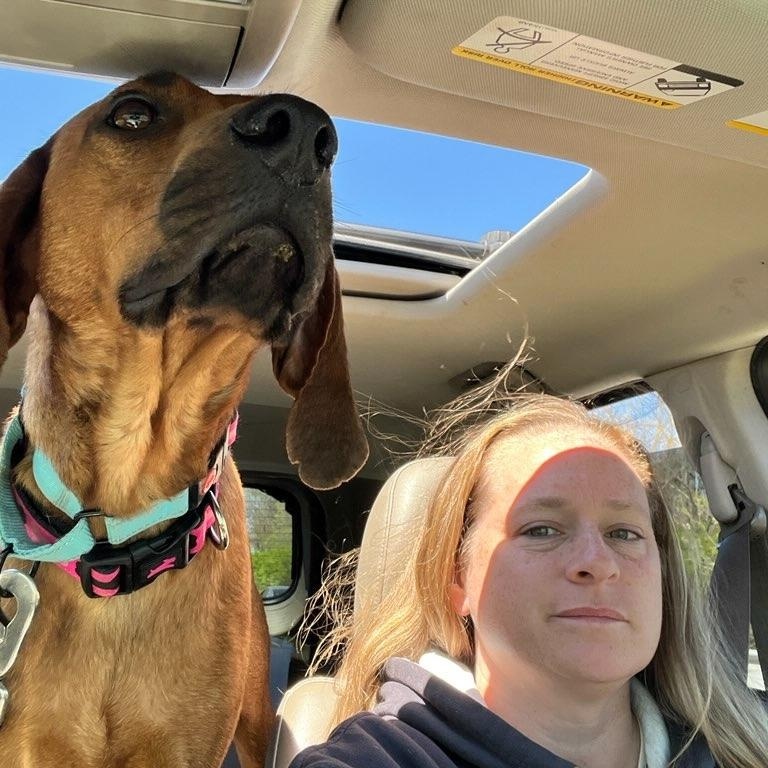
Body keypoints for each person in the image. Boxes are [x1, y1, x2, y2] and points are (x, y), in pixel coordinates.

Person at [291, 394, 767, 768]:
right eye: (541, 529)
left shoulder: (743, 744)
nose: (597, 562)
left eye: (624, 533)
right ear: (457, 579)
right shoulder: (372, 760)